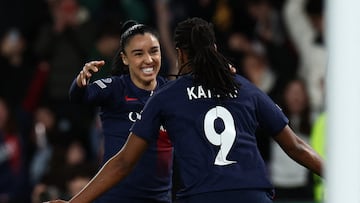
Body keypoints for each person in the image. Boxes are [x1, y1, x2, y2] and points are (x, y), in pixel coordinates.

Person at [45, 17, 323, 203]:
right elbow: (296, 147)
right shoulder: (244, 88)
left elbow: (122, 162)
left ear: (179, 54)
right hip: (253, 194)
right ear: (214, 49)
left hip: (203, 196)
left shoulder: (167, 96)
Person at [65, 20, 173, 203]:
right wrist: (80, 82)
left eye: (154, 51)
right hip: (115, 198)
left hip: (159, 199)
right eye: (138, 54)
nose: (148, 60)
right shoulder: (115, 88)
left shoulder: (170, 92)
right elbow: (79, 97)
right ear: (125, 58)